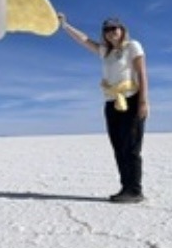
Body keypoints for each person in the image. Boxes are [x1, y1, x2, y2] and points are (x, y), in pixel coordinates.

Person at [58, 13, 149, 203]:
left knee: (131, 147)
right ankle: (125, 188)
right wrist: (65, 25)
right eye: (107, 30)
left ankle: (135, 190)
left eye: (114, 28)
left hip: (131, 100)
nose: (111, 32)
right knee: (118, 148)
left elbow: (142, 73)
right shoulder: (106, 52)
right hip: (111, 102)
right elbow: (84, 40)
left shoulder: (133, 46)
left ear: (122, 30)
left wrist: (143, 101)